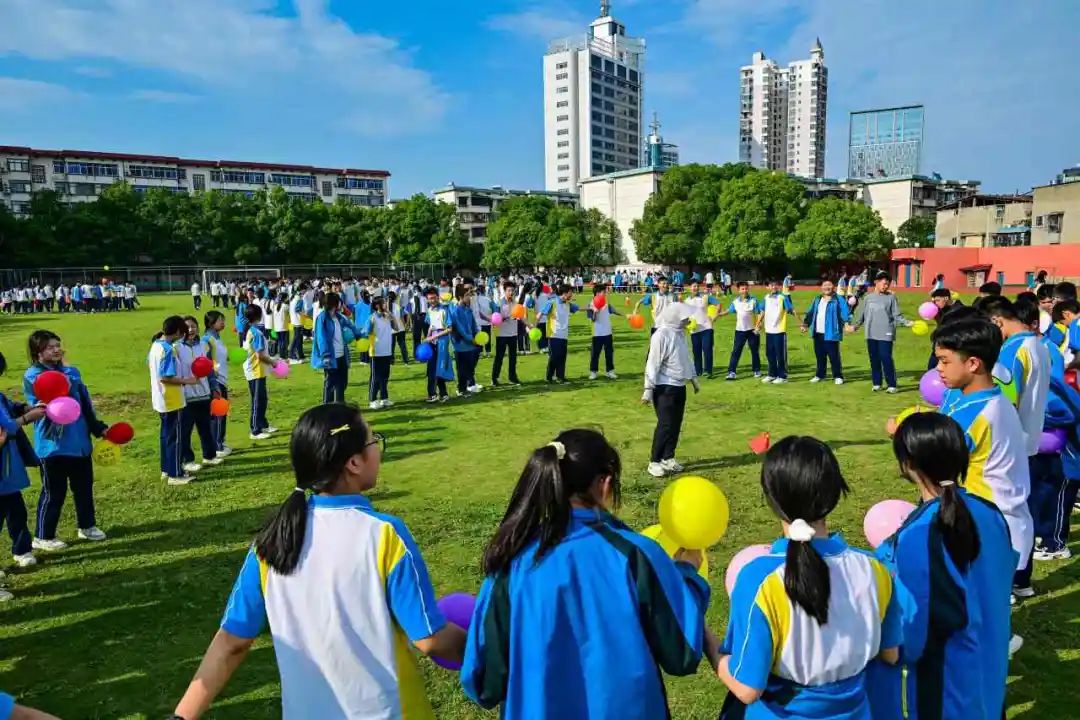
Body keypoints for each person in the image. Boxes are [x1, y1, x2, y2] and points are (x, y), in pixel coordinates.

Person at [172, 403, 464, 720]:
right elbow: (430, 639)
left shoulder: (270, 544)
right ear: (354, 462)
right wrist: (489, 647)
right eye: (373, 440)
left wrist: (181, 717)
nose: (378, 448)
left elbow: (231, 642)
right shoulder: (384, 536)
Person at [461, 429, 709, 718]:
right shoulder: (636, 555)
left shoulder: (512, 559)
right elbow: (682, 653)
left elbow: (485, 682)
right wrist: (688, 575)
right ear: (605, 483)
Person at [706, 435, 900, 718]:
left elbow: (748, 688)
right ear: (835, 495)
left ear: (770, 499)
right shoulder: (876, 570)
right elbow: (890, 653)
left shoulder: (759, 579)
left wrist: (710, 645)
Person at [867, 413, 1014, 719]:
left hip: (949, 686)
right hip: (992, 667)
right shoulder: (991, 513)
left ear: (907, 464)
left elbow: (918, 624)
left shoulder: (920, 533)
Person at [931, 319, 1033, 608]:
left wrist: (905, 433)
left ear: (973, 363)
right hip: (995, 518)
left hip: (988, 522)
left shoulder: (976, 415)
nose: (937, 368)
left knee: (974, 604)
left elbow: (935, 461)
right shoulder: (984, 398)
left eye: (944, 361)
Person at [23, 330, 109, 547]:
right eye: (50, 347)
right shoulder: (33, 375)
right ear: (38, 352)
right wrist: (66, 376)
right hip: (53, 446)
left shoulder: (72, 371)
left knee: (83, 487)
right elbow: (53, 395)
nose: (56, 349)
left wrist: (97, 428)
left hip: (79, 442)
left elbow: (84, 403)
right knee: (54, 492)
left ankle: (87, 526)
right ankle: (43, 536)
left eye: (58, 345)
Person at [642, 304, 702, 478]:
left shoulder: (680, 334)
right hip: (664, 387)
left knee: (676, 423)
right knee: (665, 424)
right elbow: (652, 363)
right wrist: (648, 388)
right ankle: (654, 461)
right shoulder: (661, 335)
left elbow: (686, 358)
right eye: (684, 318)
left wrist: (694, 380)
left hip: (679, 386)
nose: (687, 320)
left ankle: (668, 457)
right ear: (675, 317)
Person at [1, 351, 46, 582]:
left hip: (7, 470)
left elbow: (10, 406)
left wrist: (27, 408)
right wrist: (29, 418)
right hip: (3, 468)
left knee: (16, 510)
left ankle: (22, 549)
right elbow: (6, 427)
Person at [149, 316, 198, 485]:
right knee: (175, 437)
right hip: (172, 399)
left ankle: (166, 468)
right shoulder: (168, 350)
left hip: (161, 399)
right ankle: (175, 474)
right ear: (177, 331)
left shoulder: (156, 346)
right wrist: (188, 380)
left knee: (166, 436)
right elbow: (166, 377)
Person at [846, 271, 909, 393]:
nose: (886, 286)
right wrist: (855, 326)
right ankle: (877, 383)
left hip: (886, 333)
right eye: (884, 283)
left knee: (886, 358)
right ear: (876, 282)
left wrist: (906, 322)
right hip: (870, 333)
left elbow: (897, 315)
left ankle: (892, 384)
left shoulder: (891, 298)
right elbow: (862, 315)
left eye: (888, 284)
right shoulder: (868, 298)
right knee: (874, 359)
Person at [311, 292, 359, 405]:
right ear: (334, 303)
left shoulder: (339, 317)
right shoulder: (322, 318)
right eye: (339, 301)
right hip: (331, 356)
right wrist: (326, 355)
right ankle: (327, 407)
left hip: (342, 355)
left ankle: (339, 405)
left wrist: (361, 335)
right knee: (330, 383)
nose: (341, 303)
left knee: (342, 382)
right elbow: (321, 338)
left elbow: (352, 327)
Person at [801, 279, 850, 385]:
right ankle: (820, 375)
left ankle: (837, 376)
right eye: (824, 285)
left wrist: (846, 323)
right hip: (818, 332)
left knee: (833, 356)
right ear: (821, 287)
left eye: (829, 285)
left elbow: (845, 311)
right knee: (819, 355)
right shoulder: (818, 299)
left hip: (831, 332)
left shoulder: (838, 299)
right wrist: (806, 324)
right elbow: (811, 312)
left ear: (833, 287)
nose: (827, 287)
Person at [242, 304, 279, 441]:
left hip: (259, 370)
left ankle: (263, 424)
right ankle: (255, 430)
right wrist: (273, 362)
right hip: (255, 370)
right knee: (257, 400)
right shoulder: (255, 332)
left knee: (262, 399)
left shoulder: (253, 330)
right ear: (258, 315)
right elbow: (260, 355)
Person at [201, 311, 232, 458]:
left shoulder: (217, 338)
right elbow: (206, 362)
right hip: (216, 381)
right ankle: (217, 445)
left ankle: (220, 440)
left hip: (223, 379)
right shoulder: (207, 340)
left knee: (223, 412)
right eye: (220, 320)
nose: (223, 323)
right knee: (218, 413)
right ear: (211, 323)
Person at [718, 281, 762, 380]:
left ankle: (757, 370)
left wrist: (758, 324)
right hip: (740, 331)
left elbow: (759, 313)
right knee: (736, 351)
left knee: (755, 351)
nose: (745, 290)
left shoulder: (753, 300)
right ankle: (731, 372)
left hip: (752, 331)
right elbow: (729, 310)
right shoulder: (735, 302)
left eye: (746, 288)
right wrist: (720, 314)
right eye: (742, 289)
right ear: (738, 290)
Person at [537, 283, 579, 384]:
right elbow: (540, 313)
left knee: (562, 356)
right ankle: (549, 376)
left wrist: (592, 307)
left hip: (564, 335)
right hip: (554, 334)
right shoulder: (552, 302)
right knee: (554, 356)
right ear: (564, 293)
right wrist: (533, 326)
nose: (571, 295)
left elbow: (578, 308)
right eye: (570, 293)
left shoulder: (568, 304)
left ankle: (561, 377)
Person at [757, 279, 795, 384]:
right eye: (771, 285)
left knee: (780, 354)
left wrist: (801, 323)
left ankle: (782, 376)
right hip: (769, 330)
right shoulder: (766, 297)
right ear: (767, 287)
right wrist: (758, 324)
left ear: (778, 286)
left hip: (779, 330)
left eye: (775, 285)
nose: (773, 287)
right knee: (769, 353)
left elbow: (791, 309)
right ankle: (772, 374)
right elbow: (762, 311)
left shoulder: (782, 297)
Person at [422, 287, 454, 403]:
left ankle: (436, 394)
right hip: (433, 341)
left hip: (442, 341)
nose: (432, 300)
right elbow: (431, 325)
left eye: (434, 298)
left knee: (438, 368)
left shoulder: (444, 310)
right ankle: (440, 394)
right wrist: (427, 336)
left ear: (437, 297)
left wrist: (434, 337)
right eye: (430, 299)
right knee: (432, 368)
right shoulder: (430, 310)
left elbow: (449, 329)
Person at [684, 281, 721, 378]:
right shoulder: (686, 301)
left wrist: (714, 317)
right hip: (694, 330)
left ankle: (708, 371)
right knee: (696, 351)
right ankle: (698, 371)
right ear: (689, 288)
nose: (695, 288)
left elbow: (718, 304)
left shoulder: (705, 297)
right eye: (693, 286)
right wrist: (687, 324)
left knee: (707, 349)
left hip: (706, 328)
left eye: (696, 286)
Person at [450, 285, 481, 397]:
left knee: (470, 367)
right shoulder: (455, 311)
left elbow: (473, 324)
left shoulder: (468, 310)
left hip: (471, 344)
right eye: (467, 295)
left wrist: (477, 335)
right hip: (461, 345)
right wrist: (471, 339)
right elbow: (460, 329)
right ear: (460, 297)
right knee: (462, 368)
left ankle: (467, 386)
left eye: (469, 295)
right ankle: (461, 389)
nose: (469, 297)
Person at [492, 281, 523, 387]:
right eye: (509, 290)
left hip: (513, 333)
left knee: (513, 358)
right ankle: (495, 378)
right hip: (502, 334)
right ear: (504, 291)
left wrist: (528, 325)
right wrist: (505, 318)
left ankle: (512, 377)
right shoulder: (499, 303)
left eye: (512, 290)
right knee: (499, 357)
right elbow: (495, 319)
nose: (511, 292)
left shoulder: (515, 303)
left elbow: (521, 316)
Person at [367, 297, 395, 409]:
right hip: (376, 352)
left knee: (385, 376)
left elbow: (396, 327)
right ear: (377, 305)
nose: (386, 304)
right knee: (376, 377)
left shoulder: (387, 317)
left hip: (387, 350)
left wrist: (390, 315)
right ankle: (372, 400)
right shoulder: (372, 318)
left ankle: (384, 398)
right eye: (383, 303)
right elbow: (367, 332)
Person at [586, 284, 619, 380]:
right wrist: (595, 311)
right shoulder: (590, 305)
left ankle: (610, 371)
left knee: (609, 353)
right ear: (597, 293)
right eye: (604, 292)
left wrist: (626, 315)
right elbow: (592, 320)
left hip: (607, 332)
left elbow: (614, 311)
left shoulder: (606, 303)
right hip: (597, 333)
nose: (606, 293)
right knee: (595, 353)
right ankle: (593, 372)